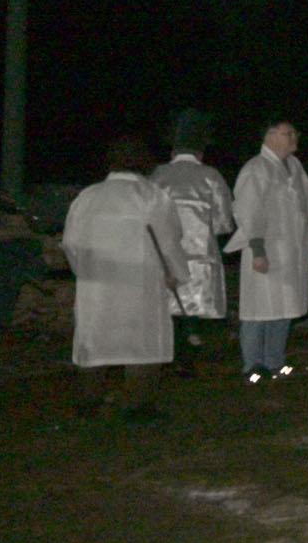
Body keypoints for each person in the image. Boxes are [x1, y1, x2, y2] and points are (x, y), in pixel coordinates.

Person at [63, 137, 189, 419]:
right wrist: (176, 273)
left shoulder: (88, 197)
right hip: (140, 283)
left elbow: (70, 242)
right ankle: (138, 404)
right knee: (141, 343)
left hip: (97, 283)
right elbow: (169, 241)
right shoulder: (152, 196)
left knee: (95, 341)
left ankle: (89, 400)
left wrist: (84, 271)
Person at [226, 118, 308, 383]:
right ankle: (252, 367)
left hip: (292, 251)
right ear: (270, 136)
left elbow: (306, 199)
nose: (294, 138)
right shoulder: (256, 169)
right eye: (288, 133)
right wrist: (257, 249)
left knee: (284, 309)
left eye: (294, 133)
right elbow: (248, 210)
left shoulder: (294, 166)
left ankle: (276, 363)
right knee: (259, 310)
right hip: (266, 249)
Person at [151, 109, 233, 358]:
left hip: (164, 259)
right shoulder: (211, 176)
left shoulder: (157, 175)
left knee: (167, 312)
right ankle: (188, 355)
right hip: (201, 261)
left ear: (172, 151)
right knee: (193, 312)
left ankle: (171, 356)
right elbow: (223, 223)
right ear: (201, 152)